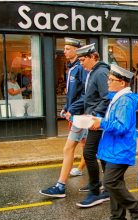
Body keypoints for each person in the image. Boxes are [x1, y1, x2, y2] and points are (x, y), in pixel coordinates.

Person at [90, 64, 138, 220]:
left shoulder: (125, 101)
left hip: (119, 150)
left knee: (110, 182)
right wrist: (98, 123)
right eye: (108, 79)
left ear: (122, 83)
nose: (108, 82)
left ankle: (136, 208)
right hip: (112, 149)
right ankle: (117, 219)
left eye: (111, 80)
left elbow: (121, 126)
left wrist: (102, 122)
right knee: (114, 183)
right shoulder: (118, 98)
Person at [39, 38, 88, 198]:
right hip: (76, 113)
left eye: (68, 48)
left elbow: (85, 94)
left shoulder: (80, 68)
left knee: (70, 148)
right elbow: (72, 94)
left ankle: (60, 186)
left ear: (76, 50)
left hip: (81, 114)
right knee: (87, 145)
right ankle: (95, 178)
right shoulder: (72, 68)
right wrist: (66, 108)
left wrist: (72, 109)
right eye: (64, 48)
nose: (64, 51)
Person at [74, 43, 111, 208]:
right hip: (93, 120)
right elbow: (90, 97)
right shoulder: (94, 72)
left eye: (83, 60)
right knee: (101, 155)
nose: (81, 63)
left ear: (93, 57)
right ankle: (104, 187)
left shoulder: (101, 72)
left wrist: (95, 115)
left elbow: (106, 97)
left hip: (98, 121)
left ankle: (95, 192)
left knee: (89, 153)